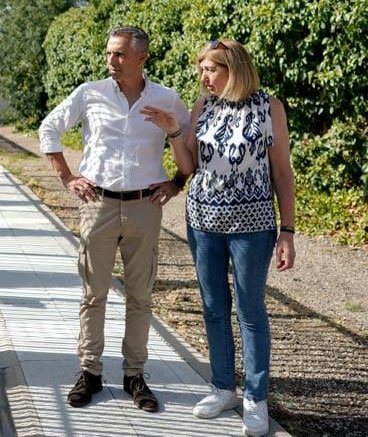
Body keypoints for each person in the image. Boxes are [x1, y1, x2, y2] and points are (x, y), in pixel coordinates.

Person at [140, 39, 296, 437]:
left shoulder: (269, 107)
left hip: (254, 225)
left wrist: (287, 232)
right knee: (212, 307)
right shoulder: (204, 106)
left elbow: (282, 172)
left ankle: (255, 398)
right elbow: (189, 165)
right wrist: (175, 131)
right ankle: (223, 387)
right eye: (201, 69)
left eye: (211, 69)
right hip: (203, 221)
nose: (203, 76)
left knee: (250, 310)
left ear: (234, 68)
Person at [39, 26, 189, 413]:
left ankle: (134, 375)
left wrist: (176, 182)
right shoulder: (90, 93)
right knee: (94, 294)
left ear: (142, 58)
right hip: (99, 204)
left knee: (140, 296)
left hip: (144, 207)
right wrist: (67, 177)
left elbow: (189, 143)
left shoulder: (167, 98)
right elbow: (49, 128)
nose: (111, 61)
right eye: (109, 53)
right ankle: (89, 372)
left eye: (120, 54)